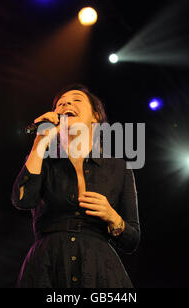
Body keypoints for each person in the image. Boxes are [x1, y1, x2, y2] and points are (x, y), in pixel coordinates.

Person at [11, 84, 140, 288]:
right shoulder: (42, 159)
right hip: (47, 266)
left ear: (96, 116)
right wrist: (39, 143)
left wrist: (113, 217)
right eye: (60, 104)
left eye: (76, 99)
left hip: (99, 270)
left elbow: (131, 241)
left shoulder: (119, 167)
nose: (66, 103)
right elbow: (22, 200)